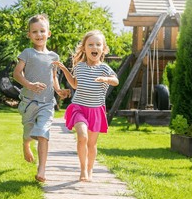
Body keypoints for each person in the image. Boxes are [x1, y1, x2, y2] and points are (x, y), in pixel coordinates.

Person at [53, 30, 119, 182]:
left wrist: (107, 79)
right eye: (90, 44)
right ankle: (82, 169)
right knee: (82, 137)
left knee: (92, 143)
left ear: (103, 49)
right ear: (84, 48)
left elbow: (116, 81)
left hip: (96, 110)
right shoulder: (80, 66)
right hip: (79, 108)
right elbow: (75, 84)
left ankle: (90, 169)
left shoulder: (104, 68)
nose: (94, 47)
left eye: (98, 44)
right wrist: (63, 69)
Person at [13, 14, 70, 183]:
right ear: (29, 35)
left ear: (49, 33)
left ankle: (42, 169)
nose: (39, 34)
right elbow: (16, 73)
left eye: (42, 31)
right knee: (30, 133)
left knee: (44, 133)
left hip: (47, 102)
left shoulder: (54, 57)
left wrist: (59, 91)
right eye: (34, 31)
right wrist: (29, 85)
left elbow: (53, 77)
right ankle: (26, 144)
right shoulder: (27, 53)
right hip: (29, 102)